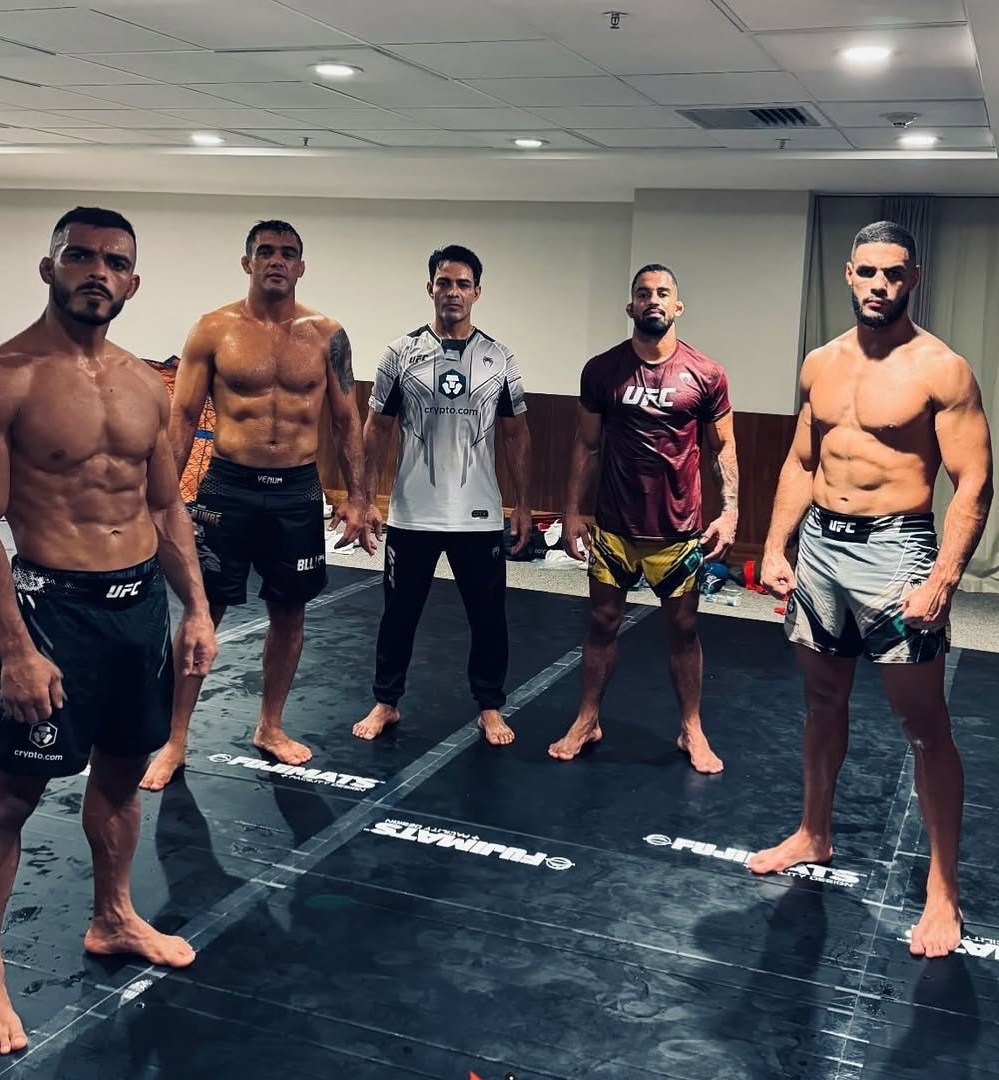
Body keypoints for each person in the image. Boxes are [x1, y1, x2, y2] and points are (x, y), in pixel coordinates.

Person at [0, 207, 218, 1056]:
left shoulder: (144, 384)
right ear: (49, 267)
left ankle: (113, 916)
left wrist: (197, 608)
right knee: (12, 795)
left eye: (114, 261)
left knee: (125, 773)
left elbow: (165, 506)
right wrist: (18, 652)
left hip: (138, 610)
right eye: (80, 256)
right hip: (52, 612)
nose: (97, 271)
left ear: (133, 280)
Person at [751, 221, 993, 959]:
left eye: (893, 273)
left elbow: (974, 482)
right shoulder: (820, 363)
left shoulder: (942, 369)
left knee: (923, 724)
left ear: (911, 279)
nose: (879, 285)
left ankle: (943, 889)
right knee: (822, 701)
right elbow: (802, 461)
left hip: (897, 552)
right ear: (849, 275)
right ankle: (813, 832)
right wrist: (775, 544)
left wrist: (943, 577)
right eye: (867, 272)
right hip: (822, 548)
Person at [139, 219, 368, 791]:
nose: (277, 260)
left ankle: (270, 726)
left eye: (288, 253)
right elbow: (182, 416)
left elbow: (346, 421)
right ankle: (174, 738)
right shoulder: (213, 329)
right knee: (203, 609)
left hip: (296, 492)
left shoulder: (328, 334)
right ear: (247, 262)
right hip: (229, 488)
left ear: (301, 266)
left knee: (290, 611)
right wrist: (162, 499)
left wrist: (360, 497)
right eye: (266, 251)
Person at [549, 264, 737, 772]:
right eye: (643, 293)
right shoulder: (602, 370)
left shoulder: (706, 373)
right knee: (601, 622)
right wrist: (571, 512)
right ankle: (587, 719)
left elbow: (722, 448)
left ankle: (691, 728)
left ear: (677, 306)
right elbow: (586, 444)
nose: (653, 299)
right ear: (630, 306)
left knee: (683, 629)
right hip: (615, 528)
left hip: (677, 532)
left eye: (662, 292)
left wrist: (731, 511)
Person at [353, 244, 532, 745]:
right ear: (430, 288)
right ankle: (386, 701)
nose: (453, 292)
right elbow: (376, 429)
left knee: (488, 617)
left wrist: (522, 504)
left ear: (477, 292)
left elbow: (517, 434)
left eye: (462, 284)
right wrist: (365, 498)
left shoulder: (500, 358)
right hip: (413, 513)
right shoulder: (400, 354)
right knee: (399, 614)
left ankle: (490, 707)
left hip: (478, 514)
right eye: (444, 283)